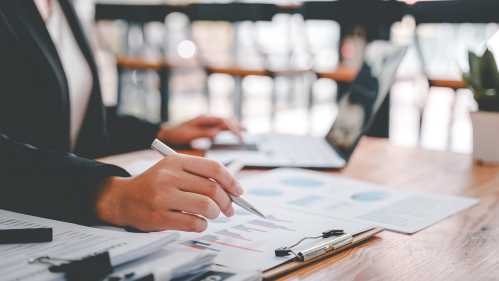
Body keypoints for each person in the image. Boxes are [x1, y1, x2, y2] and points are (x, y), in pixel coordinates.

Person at [0, 0, 245, 232]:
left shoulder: (62, 5)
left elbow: (69, 115)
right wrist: (108, 195)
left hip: (71, 224)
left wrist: (160, 132)